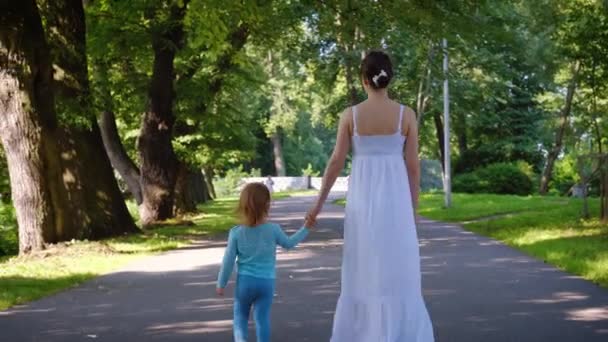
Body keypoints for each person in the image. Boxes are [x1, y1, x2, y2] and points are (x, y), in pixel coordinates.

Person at [306, 50, 435, 341]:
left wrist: (318, 204)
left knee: (363, 268)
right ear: (389, 78)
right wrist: (413, 212)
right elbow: (413, 168)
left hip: (363, 205)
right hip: (397, 203)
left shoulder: (350, 116)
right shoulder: (406, 115)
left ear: (364, 79)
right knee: (398, 268)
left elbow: (335, 162)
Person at [216, 182, 315, 342]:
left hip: (245, 284)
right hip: (266, 283)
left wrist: (221, 283)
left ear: (242, 205)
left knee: (240, 318)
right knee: (262, 320)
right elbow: (289, 244)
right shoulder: (273, 229)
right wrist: (306, 227)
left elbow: (228, 261)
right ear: (267, 204)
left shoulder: (236, 233)